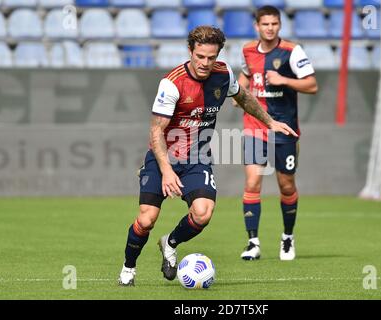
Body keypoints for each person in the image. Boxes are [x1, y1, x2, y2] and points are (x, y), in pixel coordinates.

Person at [118, 25, 297, 286]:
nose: (205, 63)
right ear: (190, 51)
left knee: (202, 213)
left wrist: (269, 121)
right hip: (163, 158)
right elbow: (156, 131)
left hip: (196, 157)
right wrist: (166, 171)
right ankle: (128, 269)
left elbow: (243, 96)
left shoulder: (223, 74)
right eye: (200, 56)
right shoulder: (172, 83)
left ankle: (170, 242)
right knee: (147, 219)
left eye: (211, 57)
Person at [237, 6, 318, 261]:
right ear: (257, 26)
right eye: (265, 24)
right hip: (254, 126)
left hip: (284, 129)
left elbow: (312, 85)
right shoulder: (247, 50)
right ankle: (253, 243)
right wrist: (239, 93)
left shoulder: (292, 52)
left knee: (286, 185)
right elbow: (245, 76)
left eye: (274, 24)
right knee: (252, 182)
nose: (269, 28)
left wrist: (285, 81)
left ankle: (287, 237)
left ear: (280, 25)